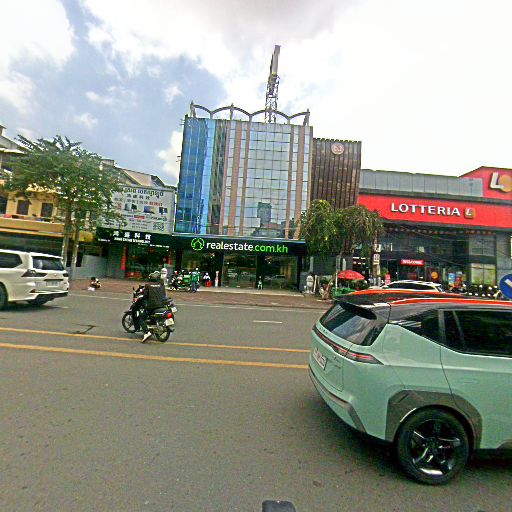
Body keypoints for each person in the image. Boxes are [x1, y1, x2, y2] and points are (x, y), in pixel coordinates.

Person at [139, 271, 167, 343]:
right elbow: (164, 295)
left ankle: (146, 332)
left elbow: (145, 296)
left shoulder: (148, 285)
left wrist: (141, 299)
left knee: (141, 319)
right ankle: (153, 327)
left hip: (151, 306)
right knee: (152, 317)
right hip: (161, 305)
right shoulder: (161, 285)